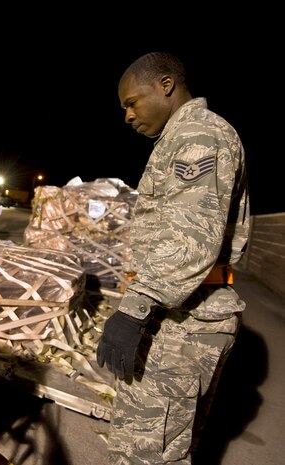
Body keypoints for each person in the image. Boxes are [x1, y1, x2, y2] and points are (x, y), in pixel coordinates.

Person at [96, 52, 250, 465]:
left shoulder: (198, 135)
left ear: (166, 85)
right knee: (167, 450)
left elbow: (190, 237)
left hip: (182, 325)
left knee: (143, 454)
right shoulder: (183, 136)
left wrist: (134, 307)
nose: (127, 115)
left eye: (132, 102)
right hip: (180, 318)